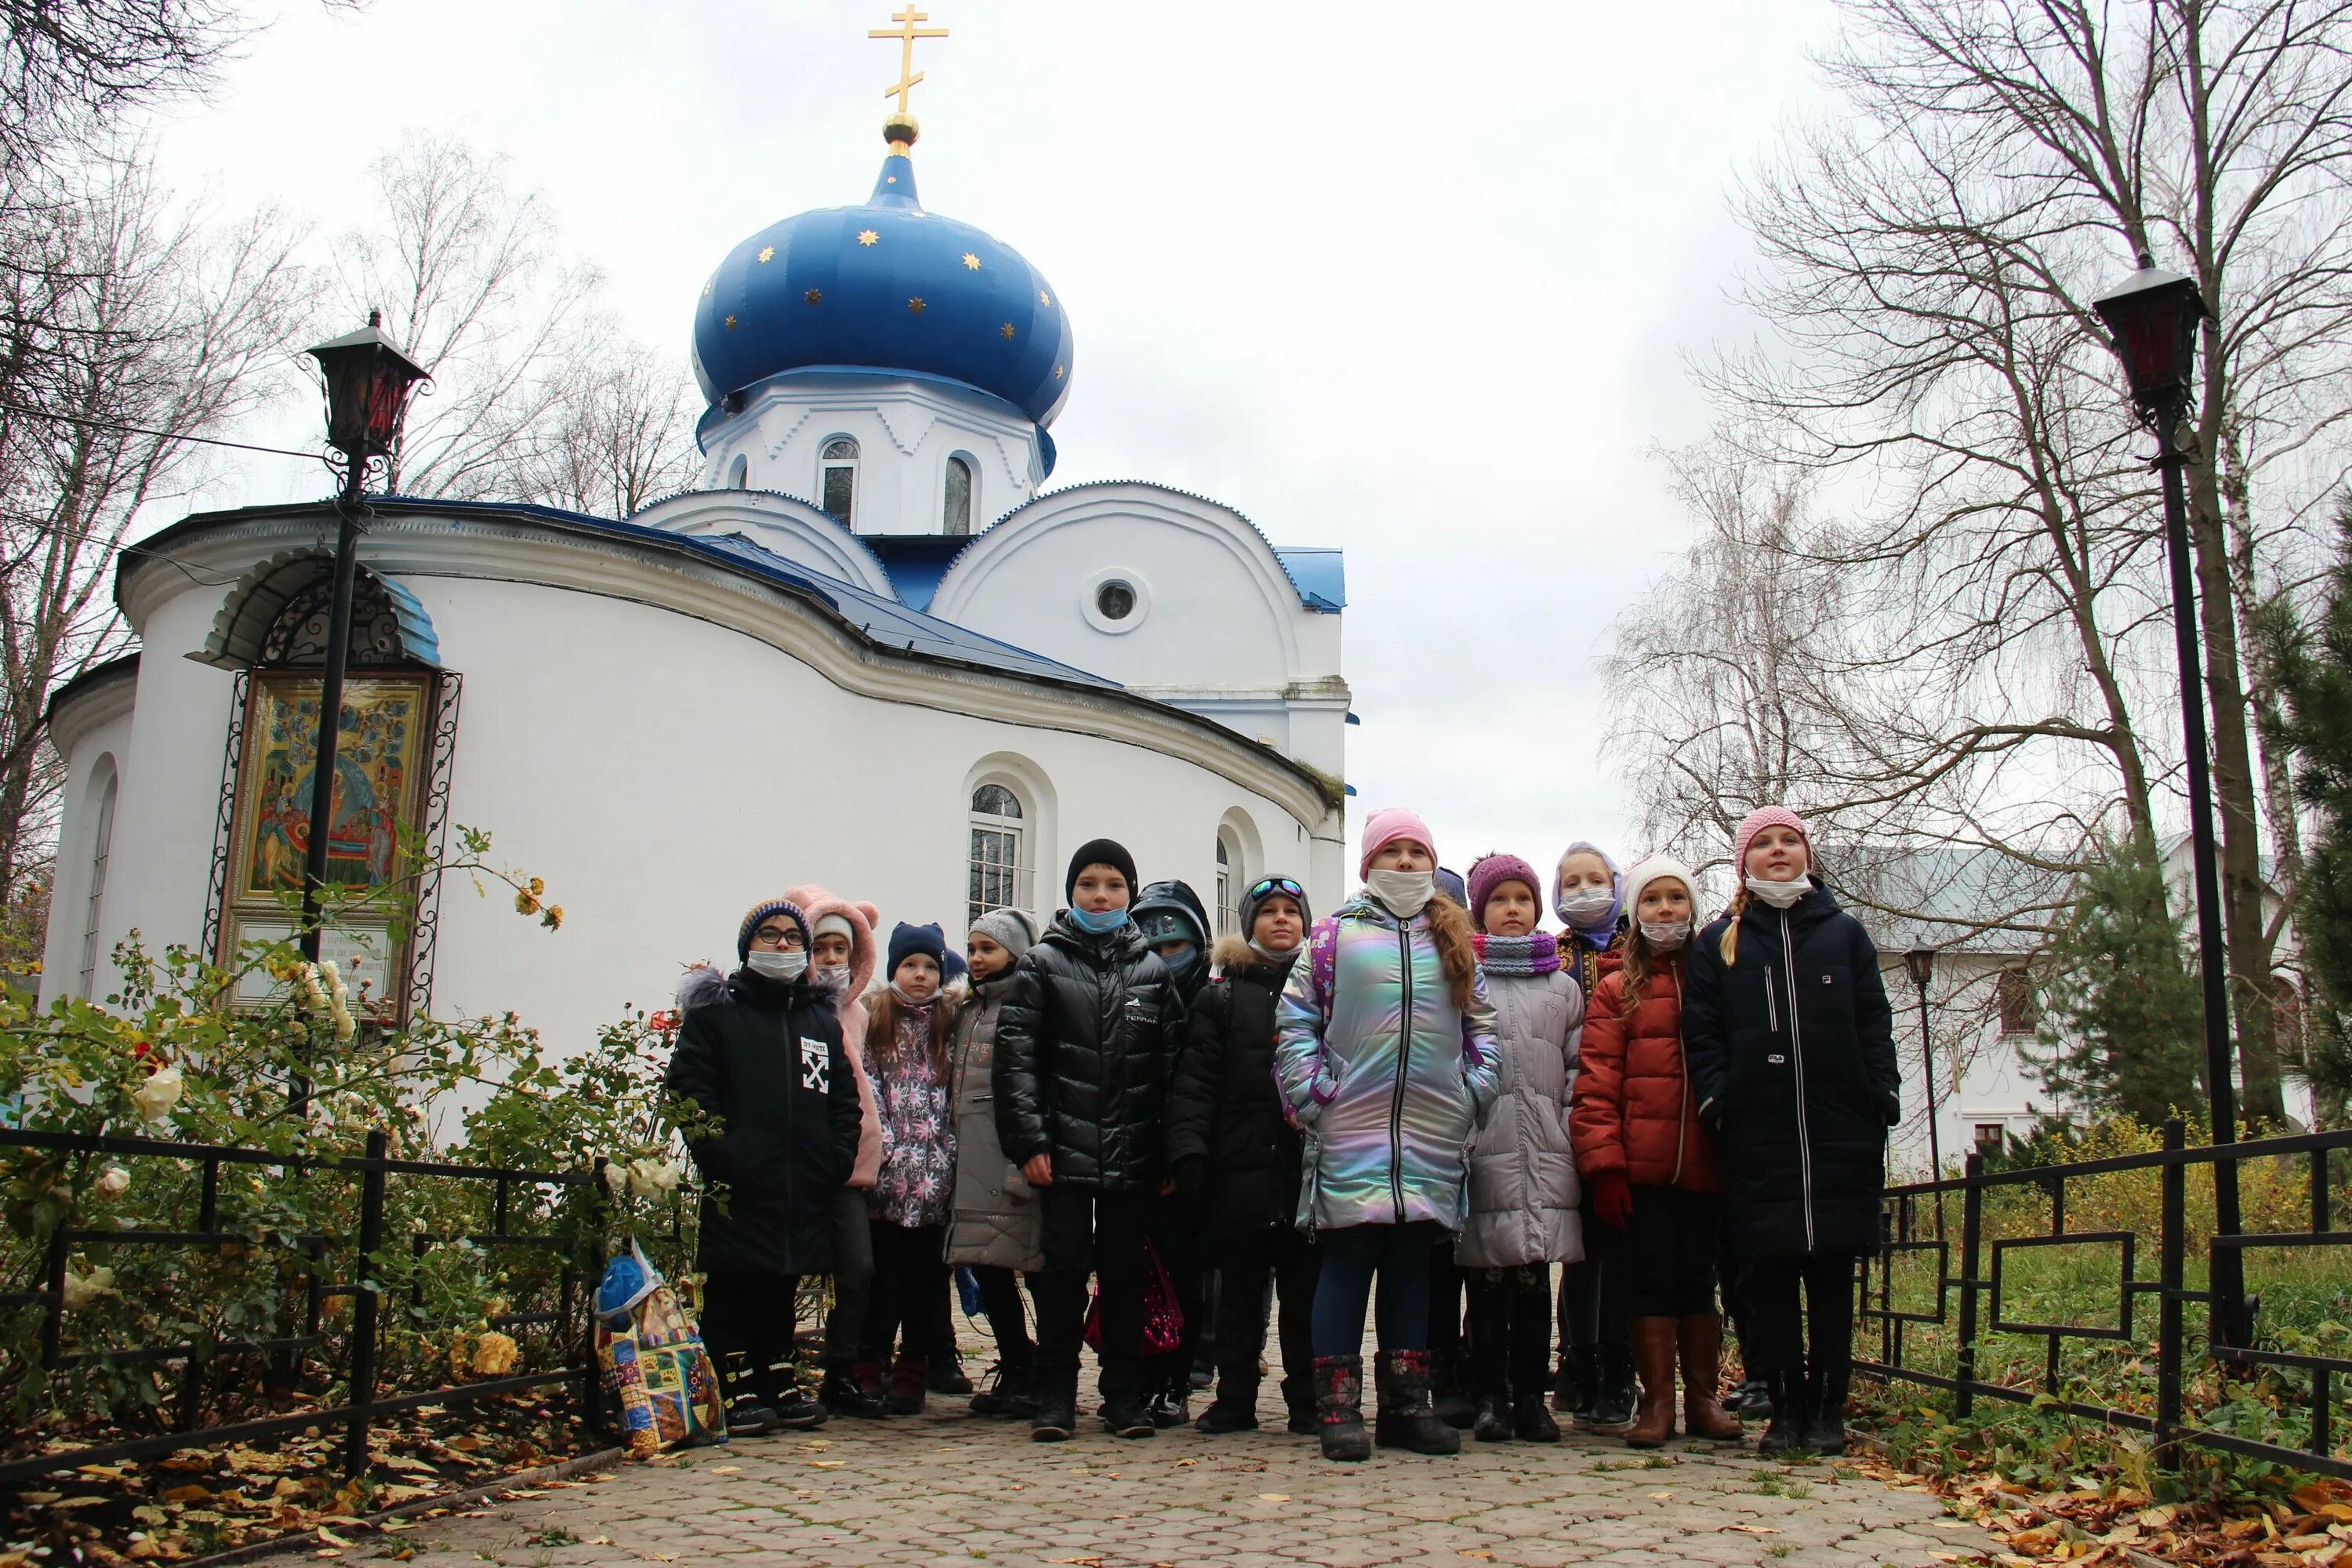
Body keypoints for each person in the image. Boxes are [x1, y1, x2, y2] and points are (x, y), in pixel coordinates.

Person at [1277, 808, 1498, 1462]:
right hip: (1350, 1129)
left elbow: (1481, 1026)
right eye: (1391, 852)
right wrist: (1314, 1095)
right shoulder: (1331, 938)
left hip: (1430, 1134)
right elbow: (1295, 1023)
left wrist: (1472, 1091)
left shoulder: (1454, 941)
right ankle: (1338, 1409)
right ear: (1368, 864)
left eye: (1416, 853)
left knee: (1411, 1270)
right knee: (1345, 1266)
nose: (1404, 864)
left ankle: (1407, 1406)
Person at [1685, 807, 1898, 1456]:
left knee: (1833, 1278)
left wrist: (1880, 1097)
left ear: (1808, 853)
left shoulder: (1845, 936)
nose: (1778, 851)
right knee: (1769, 1279)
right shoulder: (1720, 941)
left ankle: (1828, 1408)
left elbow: (1873, 1022)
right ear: (1743, 862)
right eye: (1764, 843)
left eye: (1789, 840)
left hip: (1840, 1134)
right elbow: (1703, 1032)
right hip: (1760, 1137)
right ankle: (1785, 1408)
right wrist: (1721, 1101)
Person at [995, 839, 1187, 1441]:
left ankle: (1122, 1395)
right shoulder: (1041, 966)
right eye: (1088, 884)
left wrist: (1166, 1152)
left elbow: (1172, 1070)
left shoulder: (1153, 974)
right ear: (1071, 892)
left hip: (1134, 1156)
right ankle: (1055, 1394)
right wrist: (1029, 1142)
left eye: (1113, 885)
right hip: (1063, 1153)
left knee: (1125, 1275)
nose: (1100, 895)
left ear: (1130, 896)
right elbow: (1016, 1060)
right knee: (1061, 1273)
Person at [666, 898, 862, 1435]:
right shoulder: (719, 1014)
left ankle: (778, 1373)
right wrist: (723, 1153)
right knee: (736, 1284)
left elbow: (843, 1099)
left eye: (793, 938)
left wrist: (834, 1157)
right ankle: (734, 1381)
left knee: (783, 1279)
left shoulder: (818, 1020)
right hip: (740, 1181)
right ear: (747, 947)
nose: (782, 945)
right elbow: (690, 1088)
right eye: (770, 935)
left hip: (803, 1180)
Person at [1569, 855, 1741, 1448]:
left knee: (1699, 1282)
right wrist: (1605, 1167)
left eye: (1676, 898)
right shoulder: (1617, 989)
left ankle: (1703, 1398)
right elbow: (1595, 1084)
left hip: (1706, 1164)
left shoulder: (1718, 979)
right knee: (1646, 1283)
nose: (1665, 909)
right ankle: (1656, 1402)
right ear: (1634, 913)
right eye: (1652, 900)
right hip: (1641, 1169)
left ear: (1692, 908)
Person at [1165, 873, 1320, 1436]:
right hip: (1241, 1168)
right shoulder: (1221, 995)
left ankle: (1307, 1397)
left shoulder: (1325, 991)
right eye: (1268, 911)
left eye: (1291, 911)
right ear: (1249, 924)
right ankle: (1235, 1397)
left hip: (1307, 1172)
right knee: (1238, 1297)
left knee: (1304, 1296)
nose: (1281, 920)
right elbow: (1196, 1082)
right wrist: (1190, 1153)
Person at [1456, 852, 1584, 1445]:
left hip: (1546, 1152)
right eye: (1501, 899)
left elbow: (1577, 1066)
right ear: (1481, 909)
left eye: (1523, 899)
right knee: (1485, 1284)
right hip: (1484, 1151)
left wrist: (1567, 1125)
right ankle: (1489, 1398)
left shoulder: (1562, 985)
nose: (1513, 909)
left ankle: (1533, 1398)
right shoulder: (1464, 977)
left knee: (1534, 1283)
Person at [781, 884, 889, 1418]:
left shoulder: (859, 1015)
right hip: (799, 1164)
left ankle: (840, 1372)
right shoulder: (791, 1011)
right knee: (785, 1269)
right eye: (820, 948)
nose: (829, 960)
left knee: (857, 1271)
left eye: (840, 950)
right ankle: (776, 1370)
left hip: (852, 1165)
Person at [947, 906, 1047, 1419]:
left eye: (989, 949)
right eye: (973, 949)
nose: (977, 959)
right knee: (986, 1267)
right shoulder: (970, 1009)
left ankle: (1045, 1372)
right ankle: (1016, 1359)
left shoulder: (1028, 1007)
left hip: (1012, 1162)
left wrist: (1024, 1158)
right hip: (973, 1164)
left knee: (1032, 1268)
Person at [1549, 840, 1635, 1432]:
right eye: (1572, 882)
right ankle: (1575, 1359)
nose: (1585, 890)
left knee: (1623, 1252)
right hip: (1570, 1116)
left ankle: (1618, 1368)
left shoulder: (1643, 948)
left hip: (1636, 1115)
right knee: (1579, 1254)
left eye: (1595, 879)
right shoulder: (1552, 956)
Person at [861, 921, 961, 1414]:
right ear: (894, 968)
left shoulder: (950, 1019)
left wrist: (946, 1149)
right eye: (910, 965)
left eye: (929, 966)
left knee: (924, 1278)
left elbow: (955, 1091)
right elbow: (869, 1084)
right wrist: (884, 1144)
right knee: (879, 1276)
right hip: (887, 1171)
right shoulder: (876, 1017)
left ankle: (914, 1363)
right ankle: (869, 1358)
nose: (920, 975)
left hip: (934, 1174)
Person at [1131, 878, 1216, 1425]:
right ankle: (1135, 1373)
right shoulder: (1122, 996)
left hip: (1190, 1162)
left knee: (1186, 1274)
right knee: (1129, 1272)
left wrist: (1182, 1156)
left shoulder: (1214, 1001)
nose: (1163, 959)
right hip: (1129, 1157)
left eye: (1175, 947)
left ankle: (1177, 1378)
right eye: (1151, 948)